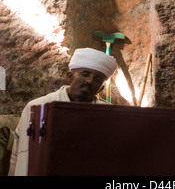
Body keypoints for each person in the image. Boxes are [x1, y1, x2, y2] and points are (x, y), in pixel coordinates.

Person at [8, 47, 118, 176]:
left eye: (98, 79)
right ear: (69, 76)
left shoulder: (108, 115)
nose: (89, 81)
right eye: (85, 74)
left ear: (101, 89)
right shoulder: (37, 107)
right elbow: (19, 153)